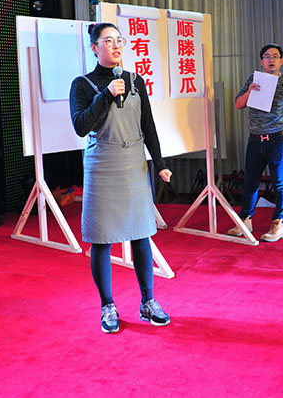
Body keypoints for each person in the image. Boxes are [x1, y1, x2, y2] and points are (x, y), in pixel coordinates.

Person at [69, 22, 173, 333]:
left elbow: (148, 124)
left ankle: (148, 301)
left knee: (141, 233)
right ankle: (108, 306)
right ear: (94, 47)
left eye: (119, 40)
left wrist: (160, 163)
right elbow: (80, 126)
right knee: (102, 238)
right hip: (102, 162)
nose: (116, 45)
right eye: (108, 41)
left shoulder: (135, 80)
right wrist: (105, 95)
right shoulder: (83, 84)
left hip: (133, 162)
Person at [229, 44, 283, 242]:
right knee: (250, 181)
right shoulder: (253, 79)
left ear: (281, 61)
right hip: (255, 139)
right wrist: (249, 91)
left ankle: (279, 223)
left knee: (279, 182)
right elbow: (238, 104)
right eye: (267, 56)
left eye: (275, 56)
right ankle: (245, 219)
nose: (271, 60)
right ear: (262, 61)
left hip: (278, 139)